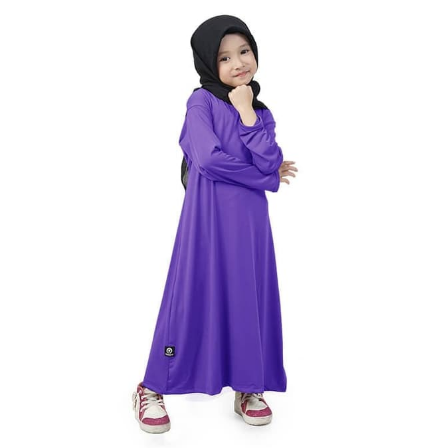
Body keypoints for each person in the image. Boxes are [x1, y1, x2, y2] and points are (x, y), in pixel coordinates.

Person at [132, 14, 298, 434]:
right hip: (206, 221)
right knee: (190, 294)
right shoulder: (201, 103)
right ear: (208, 62)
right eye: (224, 57)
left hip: (250, 224)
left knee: (247, 296)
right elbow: (208, 159)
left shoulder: (259, 111)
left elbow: (270, 157)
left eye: (244, 51)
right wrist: (265, 178)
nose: (238, 62)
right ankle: (152, 386)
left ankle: (248, 385)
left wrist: (246, 113)